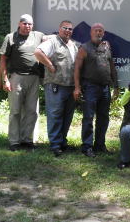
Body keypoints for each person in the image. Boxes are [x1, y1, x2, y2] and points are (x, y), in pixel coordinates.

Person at [0, 14, 44, 152]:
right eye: (25, 23)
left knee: (32, 111)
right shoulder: (10, 37)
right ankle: (14, 141)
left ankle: (27, 139)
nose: (27, 26)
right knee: (15, 111)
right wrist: (5, 79)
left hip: (34, 78)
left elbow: (53, 39)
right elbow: (3, 58)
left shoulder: (38, 36)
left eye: (30, 24)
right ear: (19, 24)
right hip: (16, 78)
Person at [73, 23, 119, 157]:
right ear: (91, 32)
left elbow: (112, 68)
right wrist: (77, 87)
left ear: (103, 33)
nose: (98, 33)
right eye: (96, 30)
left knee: (103, 118)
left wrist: (115, 86)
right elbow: (77, 69)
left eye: (101, 31)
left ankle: (100, 145)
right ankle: (87, 147)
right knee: (88, 117)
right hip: (90, 87)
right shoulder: (84, 48)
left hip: (105, 87)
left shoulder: (106, 47)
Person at [34, 20, 78, 157]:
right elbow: (37, 52)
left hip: (71, 86)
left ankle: (62, 142)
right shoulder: (53, 42)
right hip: (55, 85)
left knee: (67, 116)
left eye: (70, 29)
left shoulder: (74, 44)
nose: (68, 31)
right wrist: (49, 65)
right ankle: (55, 145)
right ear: (59, 29)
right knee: (55, 115)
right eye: (65, 28)